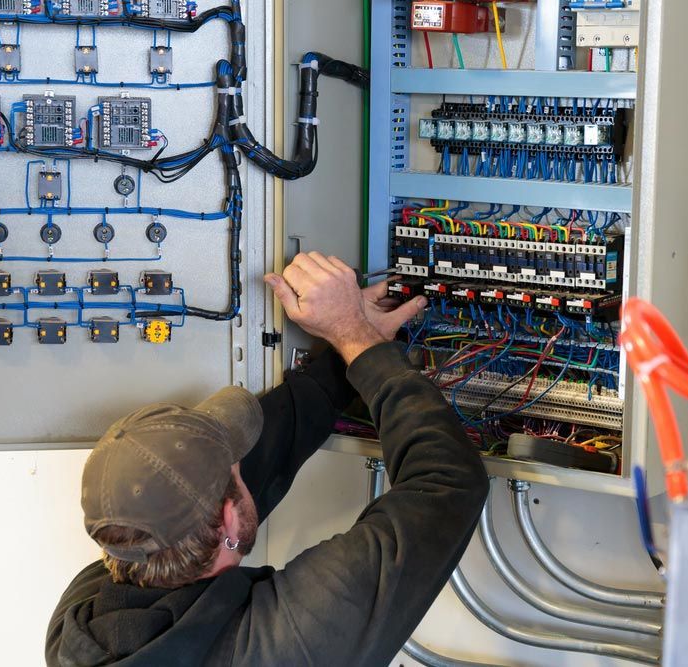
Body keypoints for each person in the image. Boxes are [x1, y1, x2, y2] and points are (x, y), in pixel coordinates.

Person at [46, 251, 490, 667]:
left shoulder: (79, 626)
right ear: (227, 519)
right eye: (236, 467)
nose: (247, 465)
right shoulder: (285, 643)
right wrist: (359, 340)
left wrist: (348, 345)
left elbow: (223, 492)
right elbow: (449, 484)